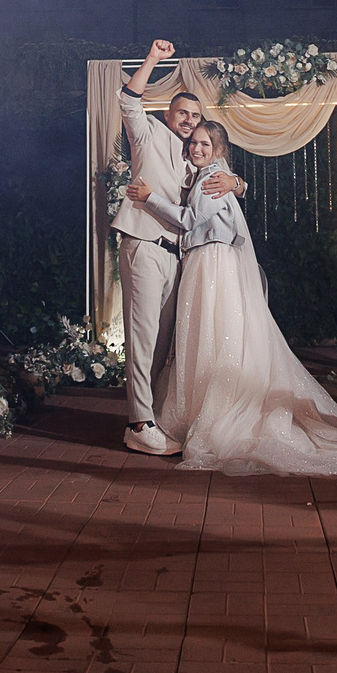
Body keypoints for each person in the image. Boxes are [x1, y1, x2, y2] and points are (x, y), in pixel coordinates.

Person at [133, 120, 337, 475]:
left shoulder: (213, 177)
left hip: (212, 263)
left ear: (218, 150)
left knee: (214, 333)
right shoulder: (212, 175)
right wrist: (238, 184)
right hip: (209, 261)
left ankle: (215, 411)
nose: (196, 149)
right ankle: (203, 407)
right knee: (213, 334)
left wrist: (148, 198)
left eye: (204, 144)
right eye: (194, 143)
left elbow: (191, 219)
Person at [112, 39, 245, 457]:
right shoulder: (148, 133)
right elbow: (129, 99)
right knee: (144, 336)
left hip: (177, 256)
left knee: (164, 341)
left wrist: (239, 184)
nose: (189, 121)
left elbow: (218, 192)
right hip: (145, 244)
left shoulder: (197, 161)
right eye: (182, 113)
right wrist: (152, 59)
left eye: (195, 117)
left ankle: (147, 416)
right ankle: (139, 422)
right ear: (168, 114)